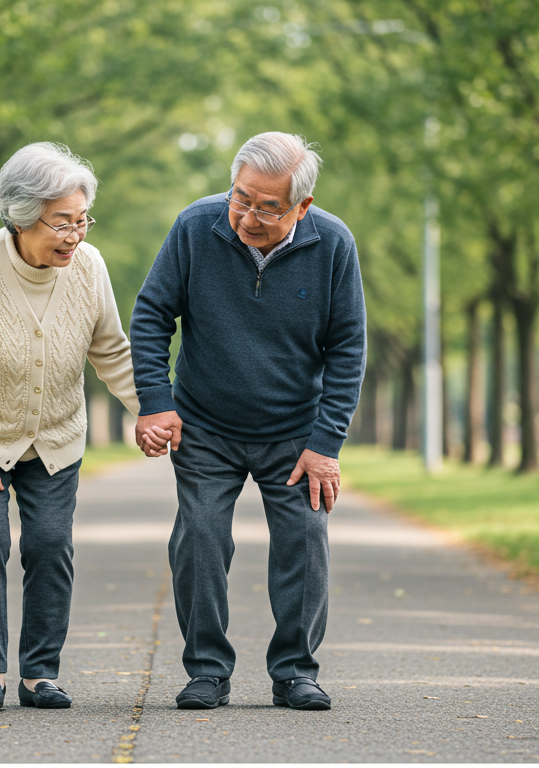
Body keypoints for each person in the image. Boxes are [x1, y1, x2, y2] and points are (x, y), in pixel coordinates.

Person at [130, 132, 366, 711]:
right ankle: (207, 669)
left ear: (301, 207)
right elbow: (152, 313)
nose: (248, 217)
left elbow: (348, 348)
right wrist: (157, 400)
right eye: (241, 198)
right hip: (206, 426)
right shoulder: (196, 226)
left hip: (295, 431)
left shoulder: (333, 243)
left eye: (267, 207)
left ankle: (294, 671)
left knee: (306, 539)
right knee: (201, 537)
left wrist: (326, 443)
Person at [0, 142, 140, 712]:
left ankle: (40, 673)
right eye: (62, 222)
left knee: (49, 544)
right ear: (21, 217)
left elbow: (112, 351)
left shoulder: (90, 268)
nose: (75, 235)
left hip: (55, 436)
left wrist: (152, 410)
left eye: (82, 220)